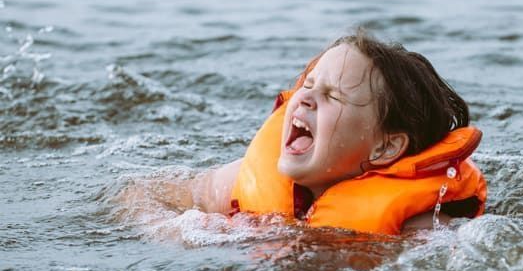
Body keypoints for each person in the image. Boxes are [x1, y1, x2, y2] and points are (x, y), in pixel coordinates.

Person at [188, 29, 486, 234]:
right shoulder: (240, 181)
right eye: (308, 84)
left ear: (385, 148)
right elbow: (149, 198)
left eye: (332, 96)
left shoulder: (414, 227)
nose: (303, 97)